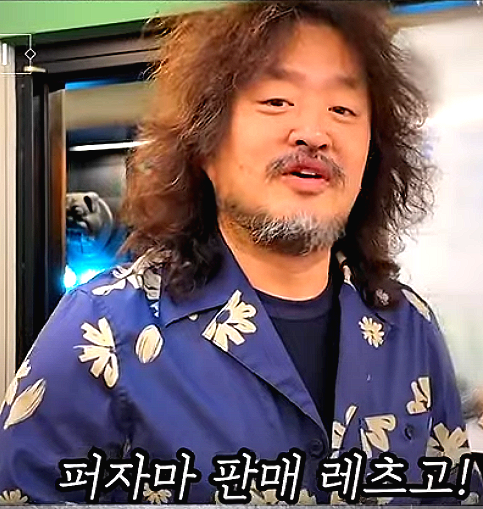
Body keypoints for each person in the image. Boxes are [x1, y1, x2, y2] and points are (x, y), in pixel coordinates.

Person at [0, 1, 481, 505]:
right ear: (206, 147)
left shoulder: (409, 327)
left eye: (342, 109)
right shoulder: (102, 330)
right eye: (276, 100)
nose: (313, 133)